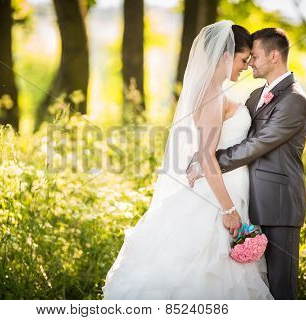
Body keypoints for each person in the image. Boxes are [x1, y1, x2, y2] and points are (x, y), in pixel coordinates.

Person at [102, 20, 274, 300]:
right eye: (243, 59)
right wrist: (228, 209)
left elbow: (207, 147)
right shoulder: (213, 95)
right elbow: (208, 155)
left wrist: (199, 159)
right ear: (226, 55)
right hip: (218, 197)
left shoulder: (215, 92)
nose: (245, 66)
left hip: (229, 187)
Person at [187, 28, 306, 299]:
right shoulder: (256, 95)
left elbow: (257, 144)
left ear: (274, 56)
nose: (250, 62)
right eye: (248, 57)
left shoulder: (294, 100)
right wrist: (203, 158)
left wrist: (209, 161)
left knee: (281, 288)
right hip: (247, 200)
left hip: (278, 205)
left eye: (254, 56)